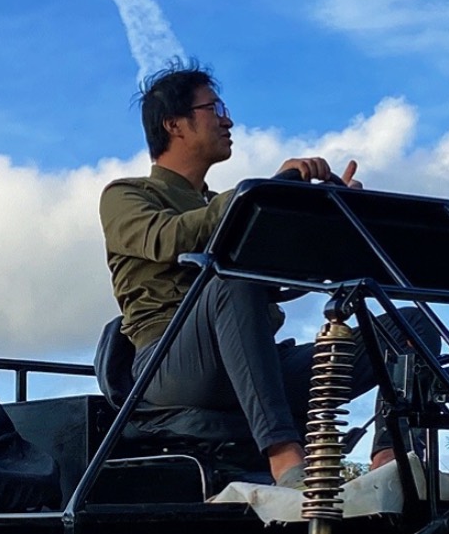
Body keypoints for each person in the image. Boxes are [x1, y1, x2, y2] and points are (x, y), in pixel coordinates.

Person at [100, 66, 387, 488]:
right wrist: (268, 193)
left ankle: (390, 463)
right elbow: (168, 240)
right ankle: (286, 460)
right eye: (213, 108)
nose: (227, 119)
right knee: (230, 280)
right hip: (171, 365)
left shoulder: (228, 207)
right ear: (174, 124)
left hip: (252, 362)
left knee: (406, 329)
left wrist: (330, 217)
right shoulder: (126, 196)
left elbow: (283, 276)